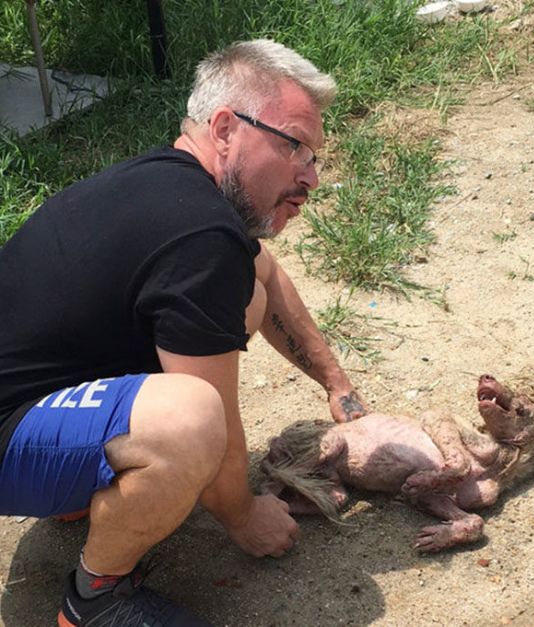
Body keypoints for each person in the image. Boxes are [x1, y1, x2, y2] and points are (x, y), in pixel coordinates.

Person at [0, 39, 369, 626]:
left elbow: (265, 273)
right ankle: (95, 598)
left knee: (249, 279)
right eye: (295, 146)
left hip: (35, 396)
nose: (312, 177)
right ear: (226, 127)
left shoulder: (173, 186)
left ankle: (89, 484)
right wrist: (244, 514)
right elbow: (211, 418)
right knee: (190, 418)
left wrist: (338, 386)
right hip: (8, 435)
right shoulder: (198, 233)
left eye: (315, 156)